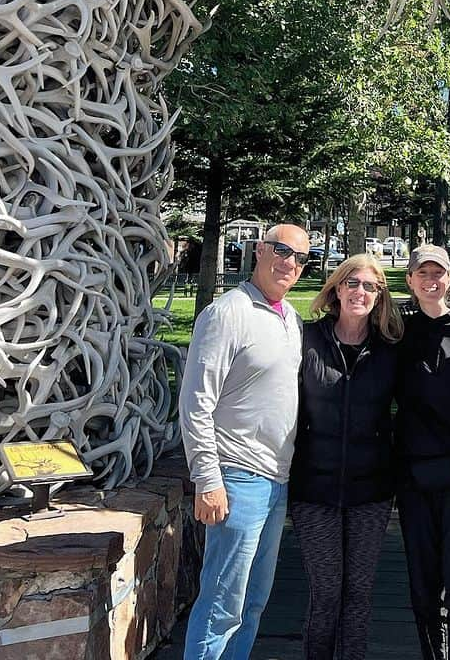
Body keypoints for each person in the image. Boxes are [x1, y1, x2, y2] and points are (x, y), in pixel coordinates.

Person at [179, 223, 311, 660]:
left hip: (277, 482)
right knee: (221, 606)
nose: (288, 262)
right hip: (236, 479)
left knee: (252, 605)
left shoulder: (290, 317)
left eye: (299, 257)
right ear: (259, 250)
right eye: (280, 250)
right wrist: (207, 479)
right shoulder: (227, 313)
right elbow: (195, 402)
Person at [289, 254, 404, 660]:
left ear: (379, 296)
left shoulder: (391, 350)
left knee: (358, 594)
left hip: (371, 492)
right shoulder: (306, 339)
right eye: (352, 283)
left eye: (370, 287)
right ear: (336, 289)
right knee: (326, 592)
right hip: (314, 489)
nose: (360, 292)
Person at [396, 244, 450, 660]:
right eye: (423, 274)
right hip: (414, 479)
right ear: (410, 280)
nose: (432, 281)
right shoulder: (398, 331)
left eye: (440, 273)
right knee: (423, 586)